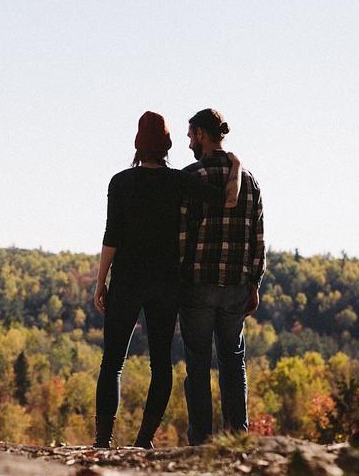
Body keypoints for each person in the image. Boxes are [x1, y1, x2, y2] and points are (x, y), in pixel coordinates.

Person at [93, 111, 241, 449]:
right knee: (161, 364)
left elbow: (111, 236)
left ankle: (103, 441)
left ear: (138, 145)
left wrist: (100, 282)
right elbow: (227, 199)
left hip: (127, 281)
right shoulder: (179, 181)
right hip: (166, 283)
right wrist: (236, 165)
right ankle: (144, 440)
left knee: (112, 362)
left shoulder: (120, 182)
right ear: (167, 146)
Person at [178, 108, 265, 445]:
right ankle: (236, 437)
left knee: (198, 364)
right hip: (235, 285)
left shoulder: (191, 177)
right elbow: (258, 237)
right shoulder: (249, 181)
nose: (189, 142)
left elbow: (181, 235)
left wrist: (178, 279)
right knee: (233, 362)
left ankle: (201, 440)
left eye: (190, 135)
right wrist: (254, 283)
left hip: (198, 283)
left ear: (201, 134)